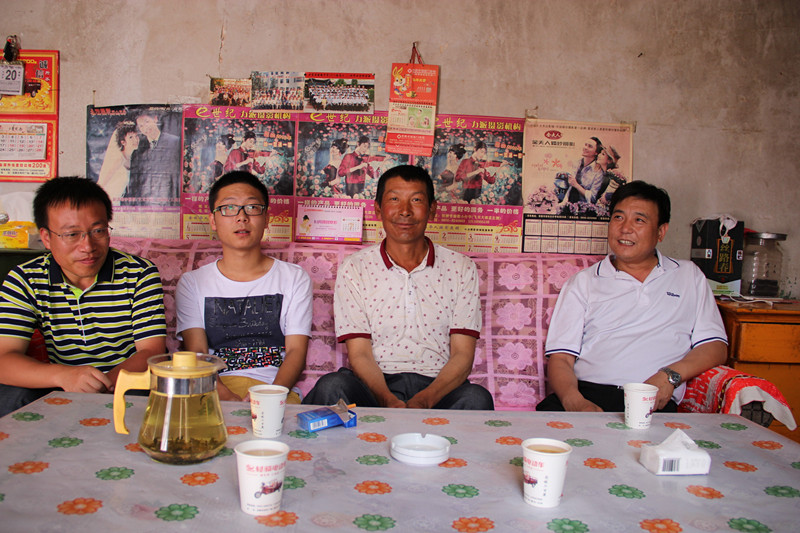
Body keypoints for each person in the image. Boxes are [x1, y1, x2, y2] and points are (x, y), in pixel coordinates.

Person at [303, 165, 494, 410]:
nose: (405, 211)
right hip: (374, 386)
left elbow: (463, 355)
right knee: (332, 386)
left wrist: (425, 400)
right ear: (378, 209)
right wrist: (386, 399)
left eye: (416, 200)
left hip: (439, 388)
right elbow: (359, 354)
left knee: (477, 398)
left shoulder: (461, 267)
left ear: (432, 209)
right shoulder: (355, 267)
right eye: (394, 199)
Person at [536, 180, 728, 413]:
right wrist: (574, 402)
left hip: (652, 400)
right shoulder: (583, 282)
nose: (625, 228)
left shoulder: (689, 276)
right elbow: (561, 359)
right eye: (618, 217)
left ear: (661, 231)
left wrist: (669, 376)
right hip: (588, 394)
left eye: (639, 220)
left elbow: (715, 346)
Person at [0, 177, 167, 417]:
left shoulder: (139, 273)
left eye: (98, 231)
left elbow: (151, 352)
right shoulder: (25, 279)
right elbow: (4, 358)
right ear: (46, 237)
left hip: (125, 382)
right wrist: (64, 376)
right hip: (61, 384)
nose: (88, 246)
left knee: (149, 390)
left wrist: (99, 388)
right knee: (10, 395)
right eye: (72, 234)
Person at [176, 171, 312, 402]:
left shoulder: (294, 278)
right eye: (229, 208)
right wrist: (226, 397)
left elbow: (296, 351)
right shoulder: (192, 283)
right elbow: (197, 353)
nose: (241, 217)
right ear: (213, 221)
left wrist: (271, 395)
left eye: (252, 207)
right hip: (214, 389)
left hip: (275, 388)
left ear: (266, 218)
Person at [125, 109, 181, 201]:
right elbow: (134, 181)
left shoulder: (175, 141)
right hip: (146, 200)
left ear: (155, 119)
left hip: (170, 197)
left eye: (147, 122)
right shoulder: (138, 149)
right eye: (141, 126)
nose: (145, 128)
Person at [556, 137, 603, 210]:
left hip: (583, 208)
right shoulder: (576, 163)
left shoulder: (598, 172)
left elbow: (592, 198)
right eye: (585, 145)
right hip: (567, 203)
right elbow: (570, 187)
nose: (585, 148)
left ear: (596, 152)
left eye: (590, 146)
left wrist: (576, 185)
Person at [97, 120, 139, 198]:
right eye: (130, 137)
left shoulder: (131, 158)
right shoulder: (118, 159)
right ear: (123, 142)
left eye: (136, 136)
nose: (135, 140)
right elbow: (101, 184)